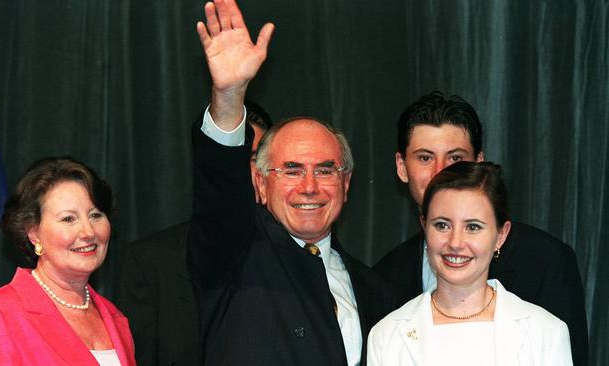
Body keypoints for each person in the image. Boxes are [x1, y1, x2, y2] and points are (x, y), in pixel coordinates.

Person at [188, 0, 392, 365]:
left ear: (346, 184)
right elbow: (219, 191)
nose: (310, 186)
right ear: (261, 184)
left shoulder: (373, 288)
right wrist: (230, 96)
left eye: (326, 170)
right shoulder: (234, 254)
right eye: (292, 170)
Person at [373, 91, 588, 365]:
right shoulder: (383, 279)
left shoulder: (547, 262)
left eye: (455, 158)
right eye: (425, 158)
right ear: (402, 168)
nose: (441, 172)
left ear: (479, 163)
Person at [114, 101, 272, 366]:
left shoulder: (302, 252)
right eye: (233, 159)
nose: (244, 172)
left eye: (255, 158)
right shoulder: (151, 261)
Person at [368, 161, 573, 366]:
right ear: (424, 226)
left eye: (473, 227)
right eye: (442, 225)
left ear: (501, 235)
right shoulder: (386, 336)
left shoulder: (547, 333)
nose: (455, 243)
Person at [0, 157, 136, 366]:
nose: (88, 232)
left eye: (95, 215)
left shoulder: (116, 318)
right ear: (33, 233)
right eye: (68, 219)